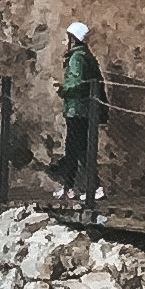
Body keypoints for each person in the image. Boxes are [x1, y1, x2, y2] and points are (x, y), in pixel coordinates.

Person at [57, 21, 106, 206]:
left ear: (72, 38)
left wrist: (63, 90)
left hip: (76, 109)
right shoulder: (87, 56)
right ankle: (70, 187)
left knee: (76, 149)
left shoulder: (76, 58)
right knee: (78, 149)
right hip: (84, 110)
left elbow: (76, 83)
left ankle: (93, 187)